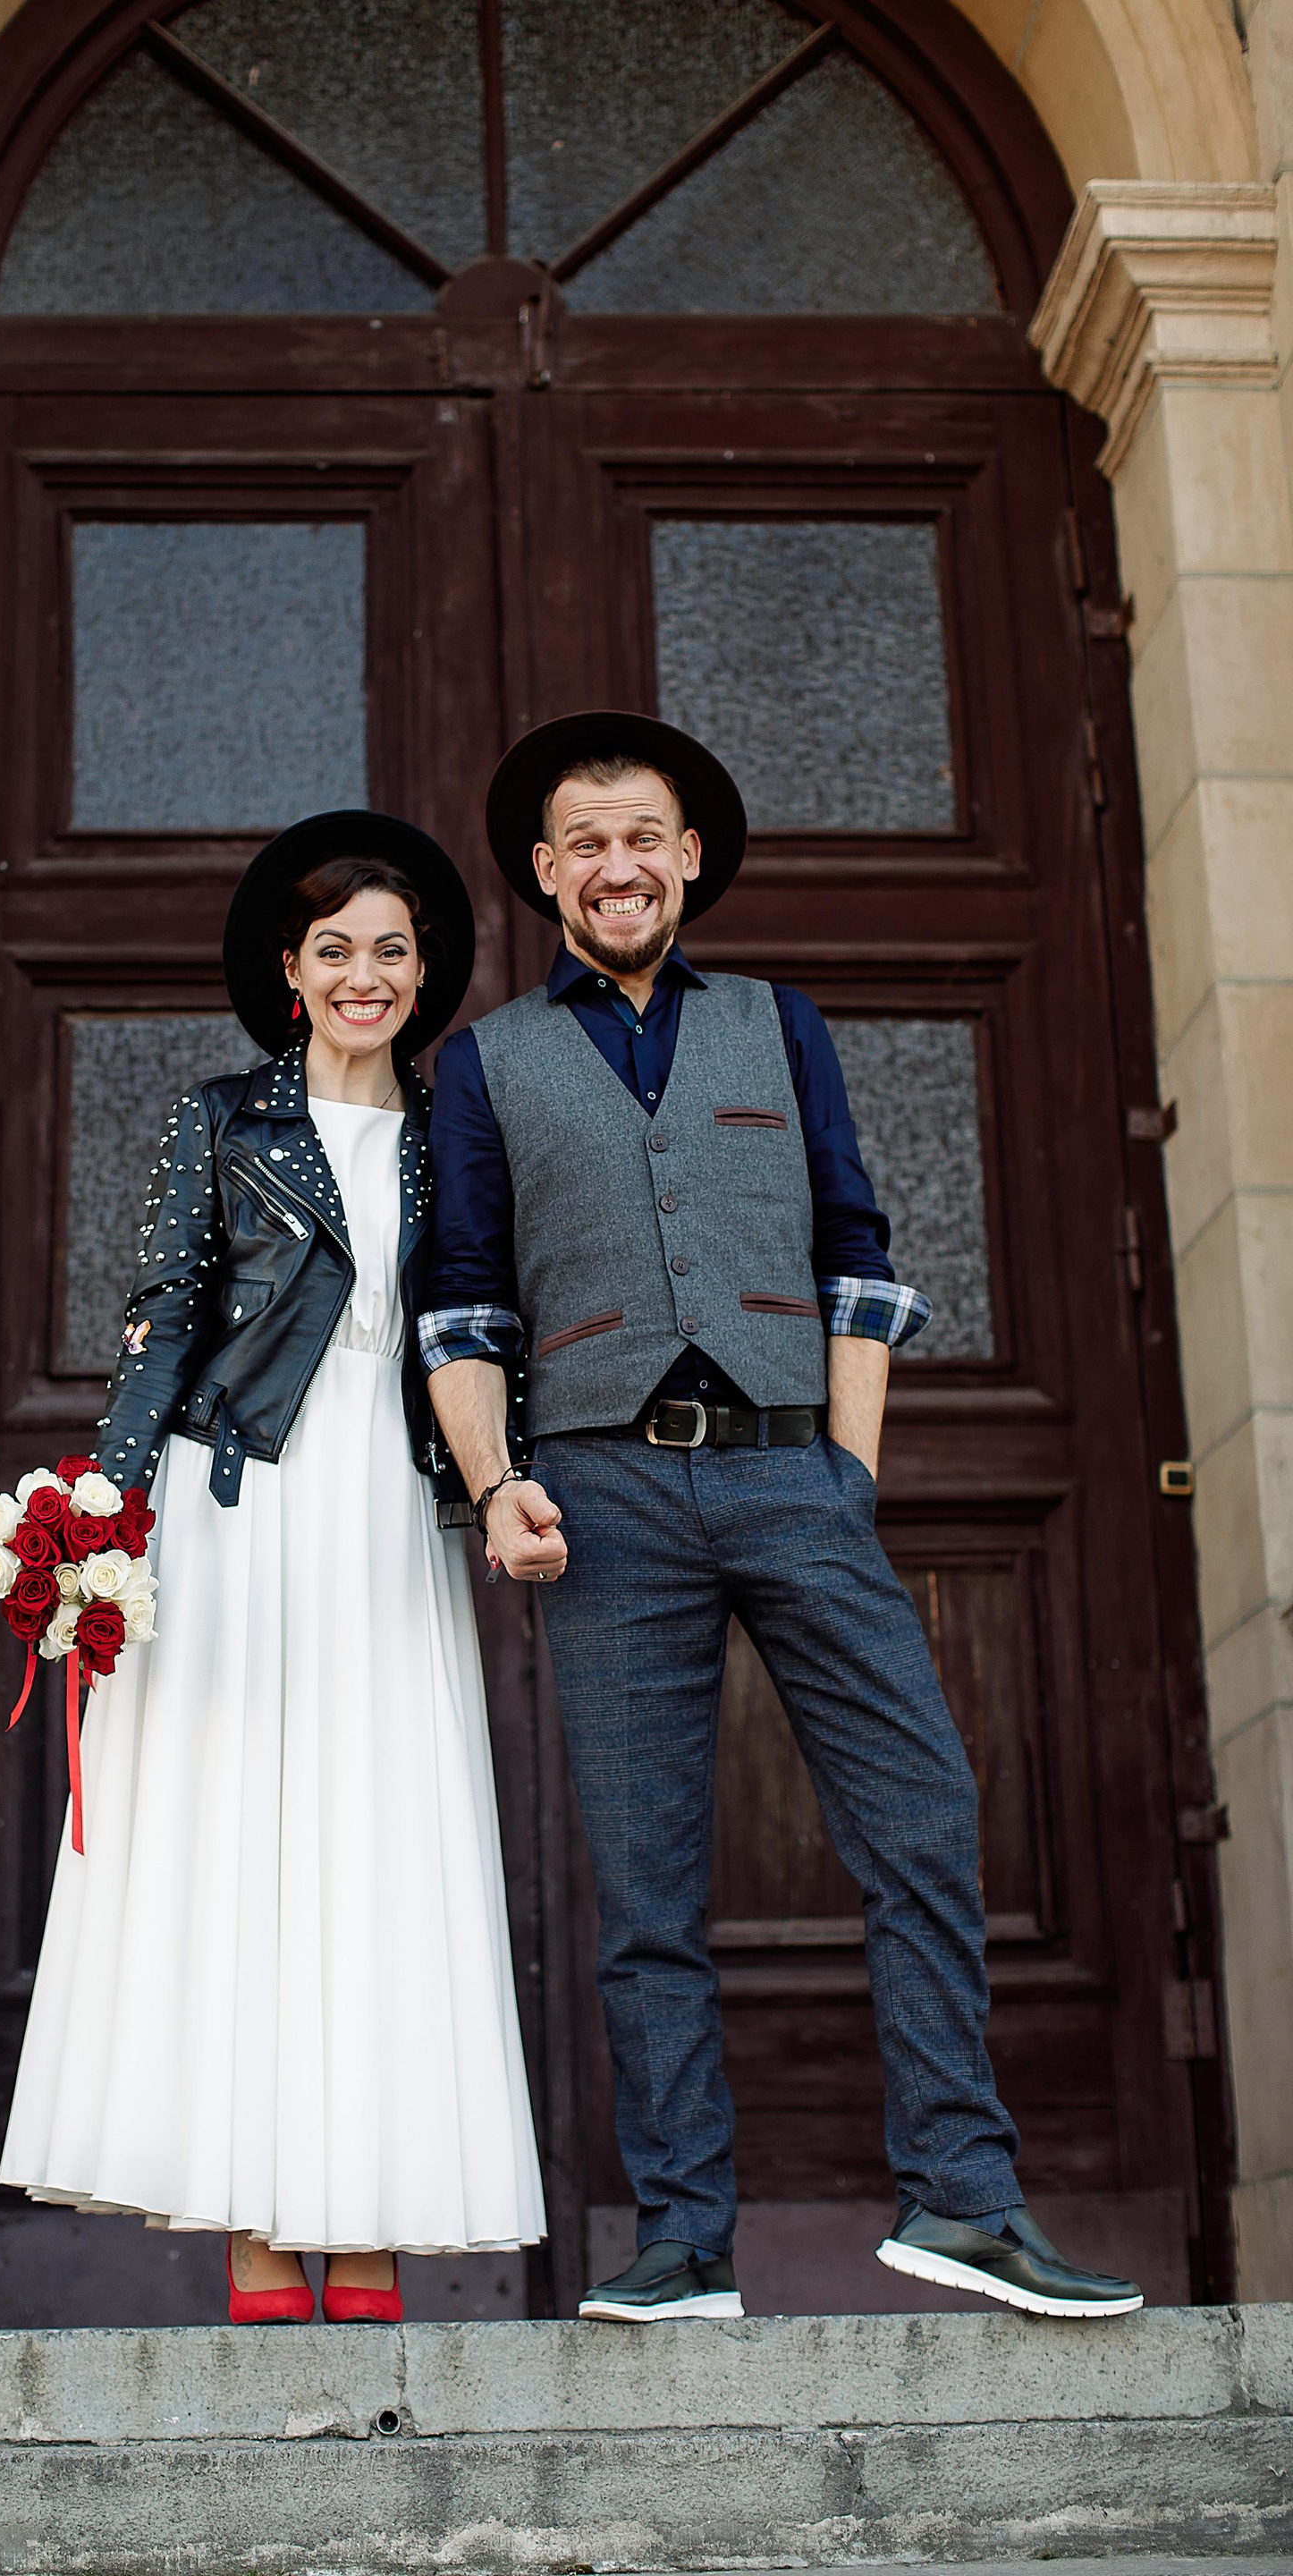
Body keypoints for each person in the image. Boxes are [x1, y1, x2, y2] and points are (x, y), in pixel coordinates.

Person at [420, 711, 1142, 2325]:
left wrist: (847, 1476)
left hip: (792, 1469)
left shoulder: (779, 1022)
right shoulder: (485, 1062)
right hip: (603, 1488)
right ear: (546, 872)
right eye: (586, 842)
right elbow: (461, 1298)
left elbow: (855, 1254)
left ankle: (963, 2198)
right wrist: (493, 1481)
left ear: (686, 860)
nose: (617, 865)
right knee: (647, 1884)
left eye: (643, 837)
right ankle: (683, 2238)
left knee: (924, 1817)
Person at [0, 811, 545, 2321]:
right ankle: (253, 2228)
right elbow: (164, 1317)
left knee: (380, 1845)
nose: (366, 975)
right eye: (336, 950)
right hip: (236, 1503)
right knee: (235, 1848)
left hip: (387, 1511)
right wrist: (102, 1515)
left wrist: (508, 1476)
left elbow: (479, 1323)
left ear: (424, 976)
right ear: (291, 973)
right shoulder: (219, 1120)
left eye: (393, 951)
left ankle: (364, 2227)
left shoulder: (454, 1136)